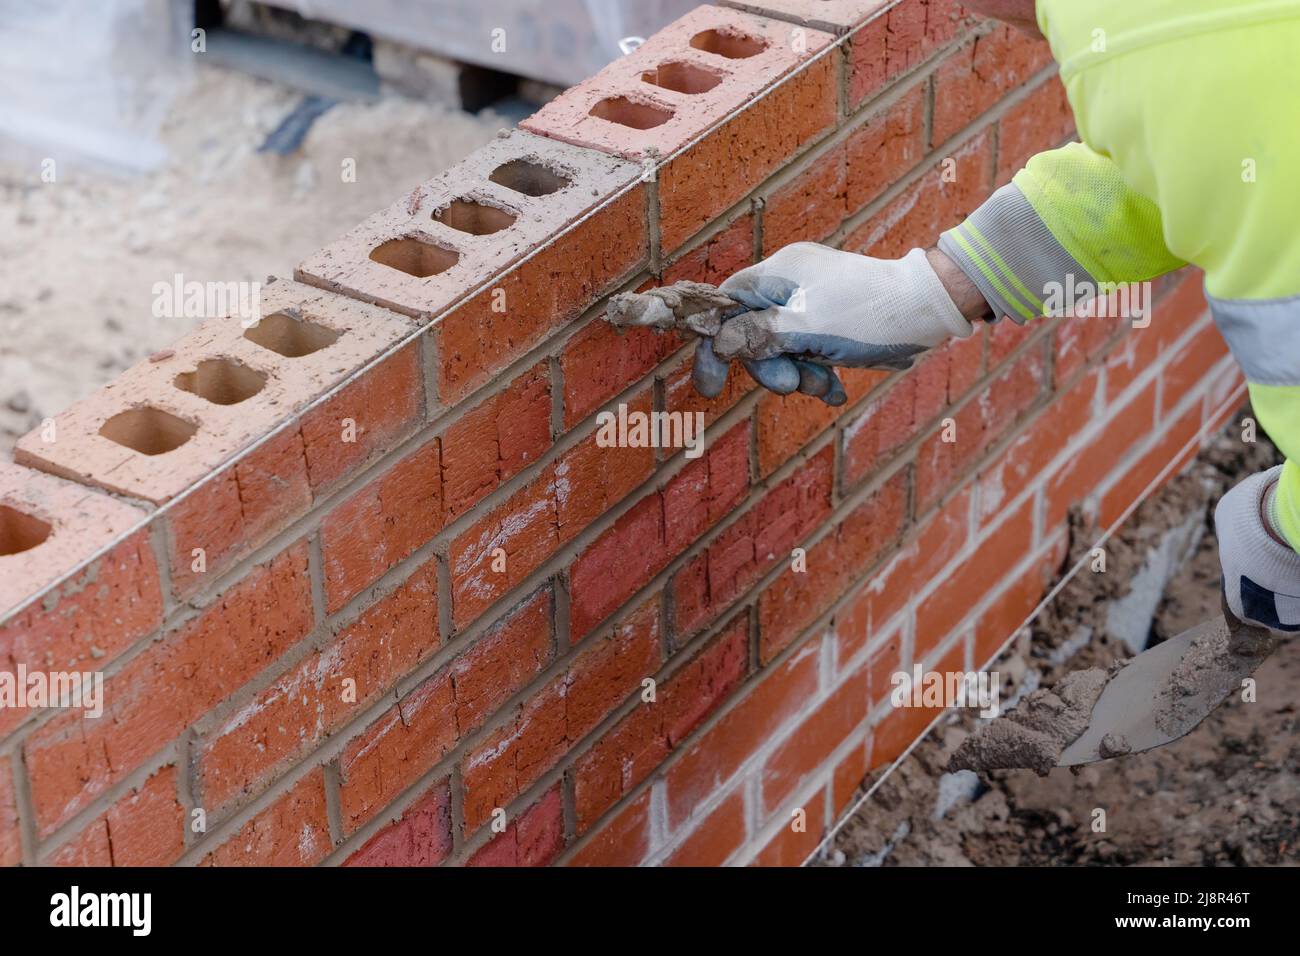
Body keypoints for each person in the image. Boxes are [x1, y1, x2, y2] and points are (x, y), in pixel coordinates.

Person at [695, 0, 1300, 634]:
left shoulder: (1134, 44)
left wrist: (1281, 532)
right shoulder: (1173, 31)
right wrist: (934, 287)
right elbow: (1200, 162)